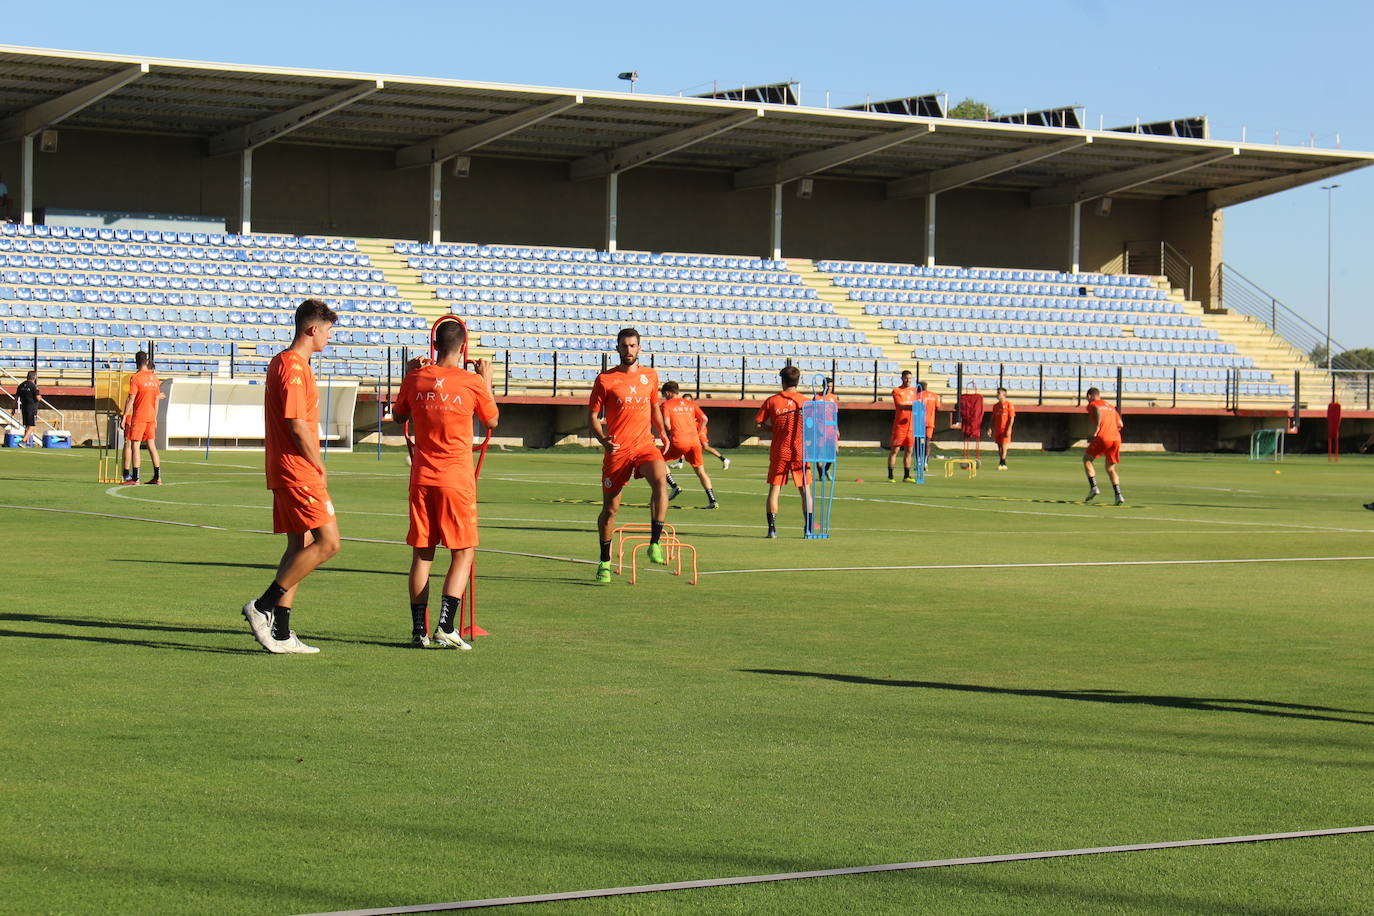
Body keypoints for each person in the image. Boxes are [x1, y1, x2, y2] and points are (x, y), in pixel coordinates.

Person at [241, 299, 341, 654]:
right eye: (328, 330)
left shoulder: (287, 363)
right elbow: (296, 425)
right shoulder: (293, 367)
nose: (330, 337)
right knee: (329, 542)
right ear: (312, 329)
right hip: (297, 468)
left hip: (286, 467)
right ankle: (263, 606)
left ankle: (281, 632)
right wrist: (318, 463)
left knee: (297, 546)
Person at [391, 320, 499, 649]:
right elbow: (492, 420)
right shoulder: (471, 382)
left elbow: (399, 416)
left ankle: (418, 631)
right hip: (456, 479)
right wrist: (487, 381)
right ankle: (446, 625)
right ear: (463, 348)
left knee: (422, 555)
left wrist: (407, 375)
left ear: (435, 344)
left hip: (422, 477)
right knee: (463, 552)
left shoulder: (415, 378)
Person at [588, 328, 672, 585]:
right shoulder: (605, 379)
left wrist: (663, 433)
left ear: (639, 348)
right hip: (617, 450)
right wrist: (603, 439)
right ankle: (604, 561)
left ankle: (654, 543)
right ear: (618, 348)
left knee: (661, 480)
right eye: (624, 346)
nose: (629, 350)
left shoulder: (651, 376)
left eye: (633, 345)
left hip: (645, 445)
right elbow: (592, 415)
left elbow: (654, 407)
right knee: (611, 510)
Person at [756, 365, 812, 538]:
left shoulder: (772, 401)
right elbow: (814, 426)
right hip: (800, 451)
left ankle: (772, 529)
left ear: (782, 381)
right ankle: (808, 528)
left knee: (775, 488)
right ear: (798, 380)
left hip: (780, 450)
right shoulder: (806, 402)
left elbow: (758, 424)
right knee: (805, 490)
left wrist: (772, 429)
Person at [660, 381, 717, 509]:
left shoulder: (666, 405)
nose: (664, 397)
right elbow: (705, 419)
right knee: (701, 472)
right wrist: (699, 432)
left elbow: (667, 424)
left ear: (668, 393)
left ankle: (674, 486)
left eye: (664, 395)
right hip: (694, 441)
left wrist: (668, 434)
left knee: (657, 459)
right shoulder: (691, 404)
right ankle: (713, 500)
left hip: (678, 440)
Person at [120, 350, 164, 485]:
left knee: (135, 445)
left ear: (136, 362)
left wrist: (124, 416)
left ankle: (136, 478)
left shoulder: (136, 378)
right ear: (147, 361)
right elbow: (157, 399)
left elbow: (131, 398)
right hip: (151, 416)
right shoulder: (154, 378)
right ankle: (157, 477)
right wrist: (155, 417)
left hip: (139, 416)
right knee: (152, 445)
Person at [1082, 387, 1125, 505]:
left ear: (1090, 396)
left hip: (1103, 437)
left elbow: (1096, 409)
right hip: (1116, 438)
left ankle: (1094, 487)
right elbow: (1120, 424)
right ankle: (1118, 495)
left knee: (1087, 459)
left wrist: (1098, 426)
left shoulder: (1093, 404)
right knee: (1110, 468)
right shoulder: (1111, 406)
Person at [684, 393, 729, 470]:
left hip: (700, 429)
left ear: (691, 401)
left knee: (705, 446)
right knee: (684, 443)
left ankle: (724, 459)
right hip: (693, 429)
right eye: (684, 401)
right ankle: (680, 462)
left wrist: (699, 431)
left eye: (687, 400)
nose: (685, 402)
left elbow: (704, 419)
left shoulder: (694, 408)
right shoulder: (684, 409)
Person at [888, 370, 918, 482]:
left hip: (911, 426)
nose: (908, 380)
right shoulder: (897, 391)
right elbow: (899, 405)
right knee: (895, 450)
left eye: (910, 378)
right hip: (900, 426)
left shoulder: (914, 391)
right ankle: (891, 475)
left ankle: (906, 475)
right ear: (902, 378)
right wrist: (912, 407)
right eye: (906, 378)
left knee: (909, 450)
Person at [812, 376, 838, 480]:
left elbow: (835, 415)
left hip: (831, 428)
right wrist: (817, 427)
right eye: (828, 386)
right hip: (820, 429)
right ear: (823, 386)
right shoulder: (817, 398)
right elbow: (811, 414)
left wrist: (837, 429)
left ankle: (825, 470)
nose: (830, 388)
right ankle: (821, 475)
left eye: (831, 386)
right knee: (818, 455)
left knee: (834, 452)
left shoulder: (833, 398)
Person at [988, 386, 1016, 470]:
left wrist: (1009, 429)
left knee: (1004, 446)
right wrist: (990, 428)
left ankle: (1002, 463)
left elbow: (1012, 417)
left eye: (998, 393)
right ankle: (1002, 463)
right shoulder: (995, 406)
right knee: (999, 447)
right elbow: (992, 418)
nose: (997, 394)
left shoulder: (1009, 404)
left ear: (1003, 394)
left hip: (1005, 429)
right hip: (997, 429)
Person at [917, 380, 942, 463]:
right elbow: (938, 408)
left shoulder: (918, 396)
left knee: (919, 441)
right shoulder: (934, 395)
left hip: (920, 422)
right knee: (927, 441)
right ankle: (926, 461)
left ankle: (919, 460)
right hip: (930, 422)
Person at [16, 371, 40, 447]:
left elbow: (16, 397)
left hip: (24, 407)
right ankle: (23, 441)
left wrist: (14, 408)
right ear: (34, 377)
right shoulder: (34, 386)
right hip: (31, 408)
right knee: (31, 426)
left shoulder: (21, 385)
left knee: (27, 425)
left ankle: (27, 442)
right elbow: (38, 398)